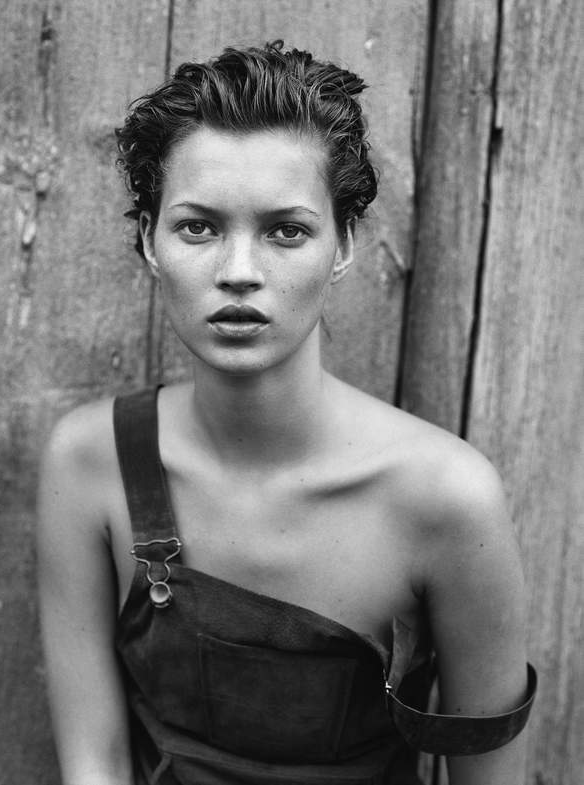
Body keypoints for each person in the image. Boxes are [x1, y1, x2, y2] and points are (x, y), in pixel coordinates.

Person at [37, 41, 536, 785]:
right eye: (198, 226)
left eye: (286, 230)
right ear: (149, 240)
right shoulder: (91, 463)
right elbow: (94, 763)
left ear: (344, 245)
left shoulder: (449, 500)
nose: (239, 272)